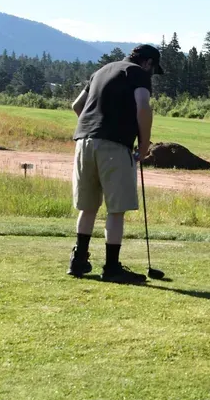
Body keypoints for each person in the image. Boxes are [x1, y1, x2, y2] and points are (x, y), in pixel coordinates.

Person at [67, 44, 163, 283]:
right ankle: (111, 268)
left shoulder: (102, 70)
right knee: (116, 209)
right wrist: (143, 144)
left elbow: (77, 106)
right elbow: (143, 107)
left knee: (88, 206)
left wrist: (96, 125)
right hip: (114, 145)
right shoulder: (138, 73)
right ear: (148, 63)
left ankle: (78, 261)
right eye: (153, 69)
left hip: (84, 142)